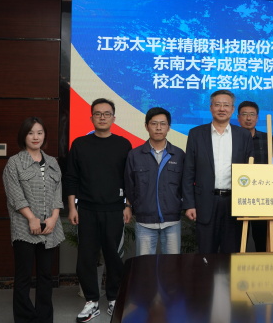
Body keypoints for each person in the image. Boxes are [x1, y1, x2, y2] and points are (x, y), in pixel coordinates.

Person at [64, 98, 133, 322]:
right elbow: (71, 177)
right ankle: (92, 301)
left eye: (107, 113)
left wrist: (128, 205)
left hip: (115, 210)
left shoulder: (123, 144)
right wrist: (72, 207)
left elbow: (129, 179)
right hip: (86, 210)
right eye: (98, 113)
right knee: (86, 257)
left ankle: (114, 298)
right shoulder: (80, 144)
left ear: (114, 118)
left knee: (114, 257)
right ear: (91, 117)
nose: (102, 117)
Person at [3, 117, 64, 323]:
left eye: (39, 132)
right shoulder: (14, 163)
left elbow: (57, 193)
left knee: (46, 275)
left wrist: (54, 218)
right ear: (24, 136)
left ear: (44, 135)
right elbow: (15, 195)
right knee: (23, 276)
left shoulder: (53, 162)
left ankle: (44, 318)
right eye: (30, 133)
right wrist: (31, 218)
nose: (35, 137)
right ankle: (24, 318)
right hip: (24, 227)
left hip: (50, 228)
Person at [182, 90, 254, 253]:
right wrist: (189, 204)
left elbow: (250, 171)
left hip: (235, 203)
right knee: (206, 254)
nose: (222, 109)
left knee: (232, 254)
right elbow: (188, 172)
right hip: (205, 202)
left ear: (232, 109)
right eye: (218, 105)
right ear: (211, 108)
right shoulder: (196, 134)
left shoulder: (243, 135)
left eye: (226, 105)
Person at [125, 107, 185, 255]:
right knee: (145, 265)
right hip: (144, 221)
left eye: (163, 124)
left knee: (172, 265)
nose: (158, 128)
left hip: (172, 221)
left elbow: (185, 185)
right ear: (146, 126)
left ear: (168, 127)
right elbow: (129, 184)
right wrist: (129, 206)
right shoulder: (135, 155)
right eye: (154, 123)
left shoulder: (178, 155)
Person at [237, 100, 273, 252]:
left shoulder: (267, 138)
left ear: (257, 118)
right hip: (237, 196)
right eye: (244, 114)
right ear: (238, 118)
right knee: (238, 240)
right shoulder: (232, 139)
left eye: (252, 115)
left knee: (262, 239)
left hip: (262, 197)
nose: (248, 118)